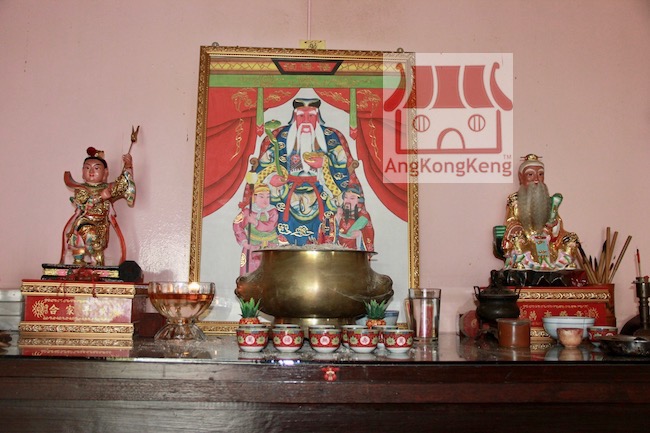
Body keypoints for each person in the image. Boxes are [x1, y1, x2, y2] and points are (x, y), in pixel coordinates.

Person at [252, 98, 366, 245]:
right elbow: (265, 166)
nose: (306, 121)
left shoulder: (331, 136)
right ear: (295, 116)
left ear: (317, 116)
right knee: (273, 208)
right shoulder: (280, 137)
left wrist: (324, 163)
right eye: (301, 116)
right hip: (287, 191)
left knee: (332, 213)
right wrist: (273, 179)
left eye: (311, 116)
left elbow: (341, 168)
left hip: (321, 190)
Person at [501, 154, 579, 270]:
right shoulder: (515, 200)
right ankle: (521, 263)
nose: (536, 179)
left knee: (571, 239)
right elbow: (511, 221)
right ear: (521, 177)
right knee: (517, 241)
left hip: (549, 243)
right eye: (530, 174)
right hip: (526, 241)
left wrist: (554, 225)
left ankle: (563, 263)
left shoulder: (549, 201)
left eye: (540, 174)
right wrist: (517, 229)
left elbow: (558, 225)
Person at [62, 147, 136, 266]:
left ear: (105, 173)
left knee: (98, 249)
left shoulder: (107, 187)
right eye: (87, 168)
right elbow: (83, 204)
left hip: (101, 223)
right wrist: (100, 197)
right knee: (86, 241)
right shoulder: (81, 189)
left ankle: (97, 268)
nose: (91, 171)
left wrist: (127, 165)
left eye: (96, 168)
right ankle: (78, 267)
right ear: (82, 172)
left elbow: (122, 185)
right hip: (84, 221)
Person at [233, 183, 279, 274]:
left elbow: (270, 226)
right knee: (249, 273)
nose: (265, 200)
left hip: (270, 246)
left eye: (268, 197)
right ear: (255, 197)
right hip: (252, 247)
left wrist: (255, 222)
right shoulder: (247, 211)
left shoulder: (273, 211)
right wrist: (244, 241)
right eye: (261, 197)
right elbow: (237, 224)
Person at [318, 185, 374, 251]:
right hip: (338, 251)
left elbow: (369, 233)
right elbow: (326, 232)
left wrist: (360, 234)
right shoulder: (337, 214)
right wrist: (336, 219)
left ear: (358, 200)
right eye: (346, 197)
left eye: (352, 198)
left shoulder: (363, 215)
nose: (348, 201)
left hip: (355, 251)